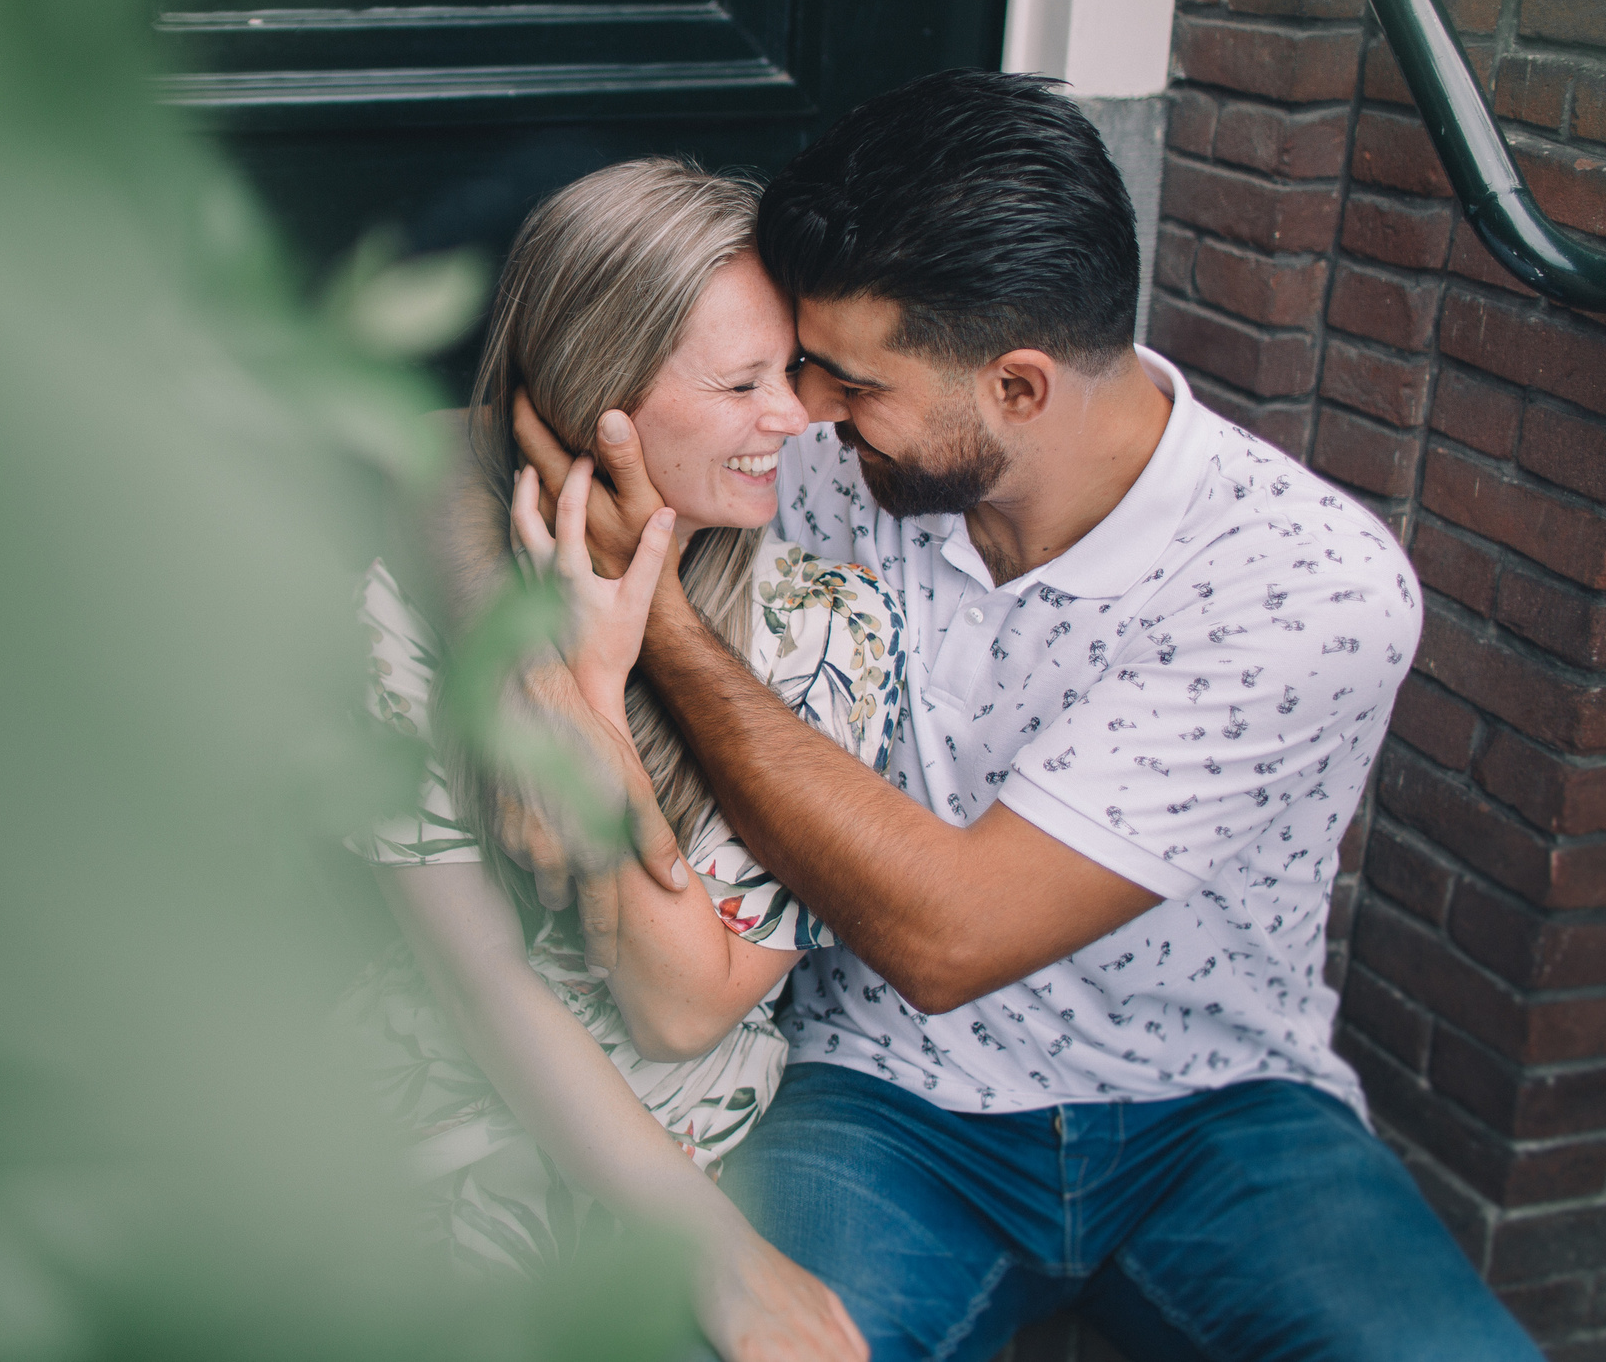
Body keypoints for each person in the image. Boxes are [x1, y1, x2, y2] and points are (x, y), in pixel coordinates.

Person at [495, 71, 1540, 1360]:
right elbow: (478, 442)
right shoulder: (815, 455)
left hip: (1211, 1105)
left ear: (1020, 389)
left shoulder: (1305, 583)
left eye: (848, 382)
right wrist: (551, 677)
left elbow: (949, 934)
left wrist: (652, 620)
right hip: (879, 1092)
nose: (805, 409)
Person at [345, 159, 899, 1362]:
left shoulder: (831, 633)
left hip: (691, 1147)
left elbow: (680, 1010)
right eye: (742, 382)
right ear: (602, 393)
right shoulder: (406, 608)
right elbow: (482, 984)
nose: (794, 417)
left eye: (789, 373)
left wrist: (596, 703)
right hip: (426, 1130)